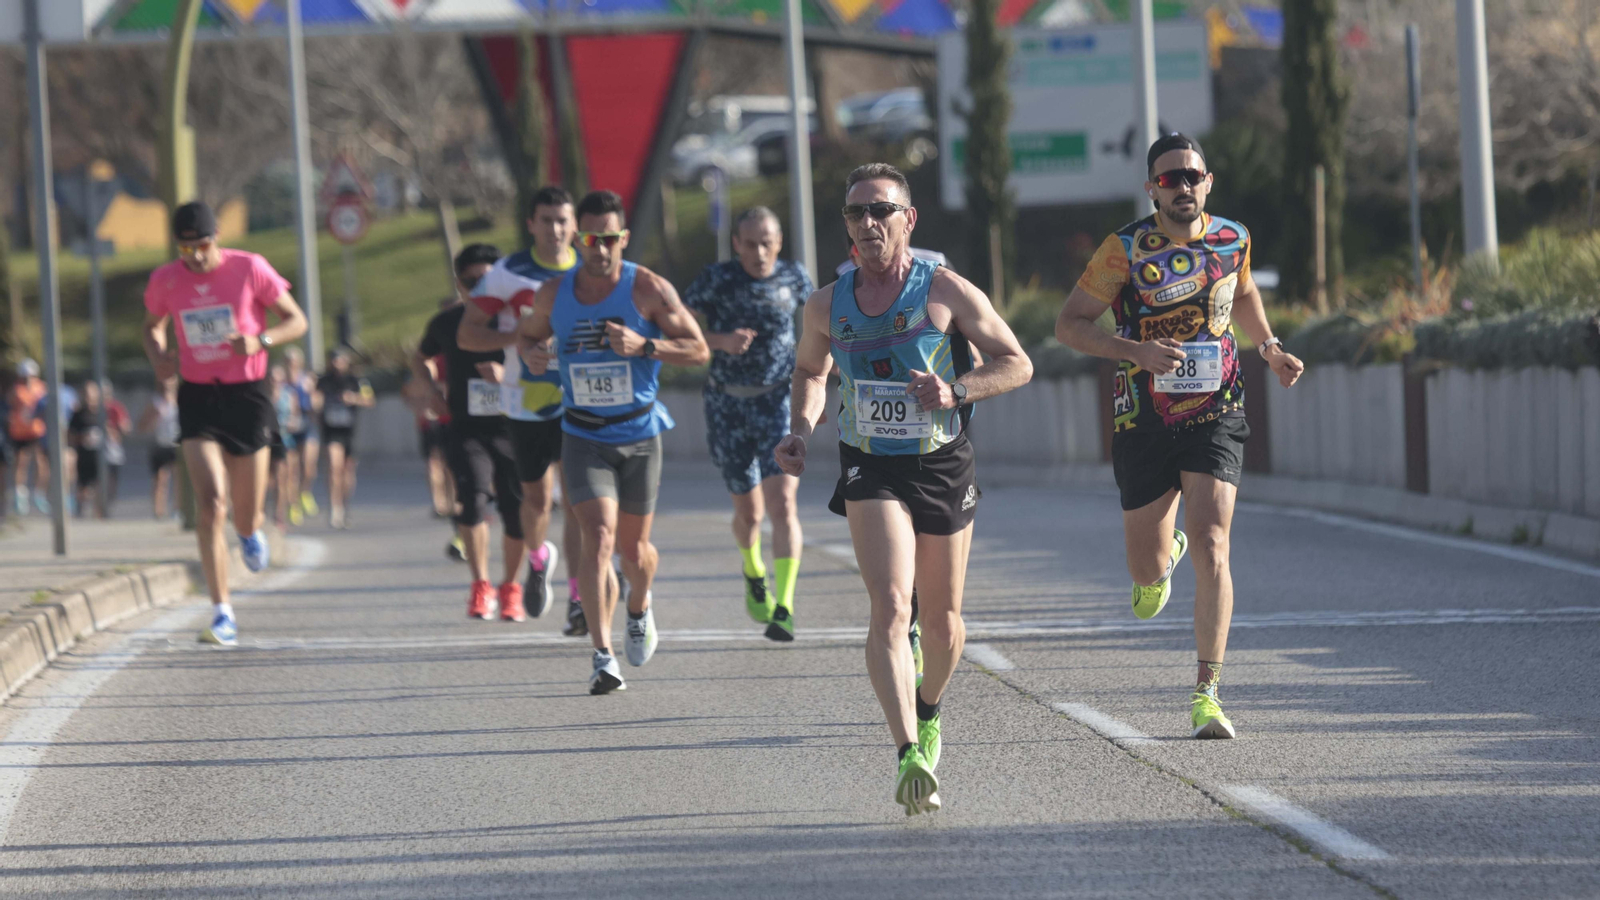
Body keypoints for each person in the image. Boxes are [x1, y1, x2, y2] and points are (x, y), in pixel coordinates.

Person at [776, 163, 1033, 815]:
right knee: (892, 605)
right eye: (857, 212)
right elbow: (810, 369)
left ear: (908, 220)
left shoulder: (944, 290)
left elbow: (1017, 363)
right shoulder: (825, 303)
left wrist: (956, 390)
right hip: (871, 464)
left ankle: (929, 707)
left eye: (882, 211)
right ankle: (908, 752)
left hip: (942, 462)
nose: (869, 224)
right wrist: (802, 431)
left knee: (944, 627)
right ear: (846, 226)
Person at [1054, 133, 1305, 740]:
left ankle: (1207, 693)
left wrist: (1268, 348)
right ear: (1152, 188)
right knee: (1145, 570)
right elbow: (1069, 325)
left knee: (1215, 540)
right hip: (1143, 417)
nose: (1182, 187)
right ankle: (1160, 564)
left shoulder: (1233, 238)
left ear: (1208, 181)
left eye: (1192, 176)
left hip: (1217, 408)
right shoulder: (1125, 250)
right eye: (1170, 179)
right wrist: (1131, 349)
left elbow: (1240, 293)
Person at [517, 189, 710, 695]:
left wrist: (646, 345)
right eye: (589, 238)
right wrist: (533, 357)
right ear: (578, 239)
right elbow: (527, 337)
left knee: (634, 551)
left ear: (622, 238)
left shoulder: (647, 288)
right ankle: (603, 657)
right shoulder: (554, 294)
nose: (598, 249)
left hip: (640, 434)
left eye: (608, 238)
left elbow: (699, 350)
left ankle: (639, 607)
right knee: (597, 537)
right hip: (581, 433)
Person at [142, 200, 308, 645]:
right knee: (211, 503)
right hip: (197, 396)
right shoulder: (166, 280)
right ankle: (222, 612)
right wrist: (158, 355)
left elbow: (297, 320)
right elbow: (152, 325)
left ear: (217, 238)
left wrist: (260, 339)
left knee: (245, 511)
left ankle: (251, 532)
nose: (195, 256)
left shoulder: (250, 268)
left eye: (203, 245)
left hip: (247, 395)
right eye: (185, 248)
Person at [683, 206, 813, 639]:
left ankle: (786, 607)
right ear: (736, 244)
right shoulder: (716, 279)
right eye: (750, 243)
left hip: (778, 401)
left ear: (779, 242)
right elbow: (674, 329)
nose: (759, 252)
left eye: (767, 242)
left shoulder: (795, 278)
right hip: (728, 405)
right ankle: (753, 567)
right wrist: (719, 340)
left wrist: (820, 390)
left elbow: (822, 332)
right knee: (750, 513)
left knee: (784, 506)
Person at [458, 186, 582, 624]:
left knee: (577, 501)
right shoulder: (508, 274)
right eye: (547, 220)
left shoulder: (590, 269)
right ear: (531, 224)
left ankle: (578, 598)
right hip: (524, 402)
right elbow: (467, 335)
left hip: (578, 400)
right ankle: (537, 558)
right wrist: (519, 338)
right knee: (537, 501)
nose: (556, 229)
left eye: (563, 220)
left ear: (574, 225)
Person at [413, 243, 528, 620]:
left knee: (515, 512)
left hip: (514, 426)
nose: (479, 288)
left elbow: (552, 361)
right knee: (472, 499)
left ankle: (511, 586)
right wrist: (431, 390)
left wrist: (510, 377)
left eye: (487, 279)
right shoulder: (447, 322)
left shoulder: (521, 320)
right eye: (470, 281)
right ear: (459, 284)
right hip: (466, 427)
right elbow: (419, 355)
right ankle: (481, 585)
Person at [315, 348, 374, 529]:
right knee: (334, 466)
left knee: (347, 472)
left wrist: (353, 398)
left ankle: (345, 505)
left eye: (339, 359)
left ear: (346, 361)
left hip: (349, 431)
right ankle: (335, 508)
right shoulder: (323, 380)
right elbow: (315, 400)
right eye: (333, 359)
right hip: (331, 430)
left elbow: (370, 400)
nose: (336, 363)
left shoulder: (355, 380)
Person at [284, 345, 320, 522]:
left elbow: (317, 404)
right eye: (288, 361)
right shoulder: (280, 381)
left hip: (306, 426)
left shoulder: (307, 379)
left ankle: (304, 492)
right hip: (288, 429)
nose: (291, 364)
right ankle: (293, 505)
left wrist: (312, 392)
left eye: (294, 361)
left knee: (308, 465)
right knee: (291, 470)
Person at [9, 359, 49, 515]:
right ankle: (20, 495)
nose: (28, 379)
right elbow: (11, 407)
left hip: (37, 431)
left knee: (41, 463)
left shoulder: (41, 388)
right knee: (21, 463)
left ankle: (39, 494)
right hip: (20, 432)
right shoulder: (16, 390)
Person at [139, 376, 181, 519]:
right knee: (160, 479)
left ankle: (178, 509)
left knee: (179, 478)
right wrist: (153, 418)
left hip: (176, 444)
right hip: (159, 444)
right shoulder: (154, 403)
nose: (166, 385)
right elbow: (141, 426)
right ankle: (159, 511)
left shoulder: (179, 400)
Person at [68, 381, 110, 518]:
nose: (88, 396)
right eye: (85, 393)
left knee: (101, 484)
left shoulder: (102, 412)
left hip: (100, 454)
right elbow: (70, 435)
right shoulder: (78, 414)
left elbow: (112, 429)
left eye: (91, 393)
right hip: (84, 454)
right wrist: (82, 438)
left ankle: (99, 514)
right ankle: (81, 510)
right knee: (83, 486)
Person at [268, 365, 298, 530]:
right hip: (265, 441)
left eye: (279, 378)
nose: (275, 381)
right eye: (272, 378)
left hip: (284, 440)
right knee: (266, 481)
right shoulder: (264, 397)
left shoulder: (289, 396)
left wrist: (291, 423)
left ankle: (279, 514)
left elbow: (295, 417)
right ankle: (260, 511)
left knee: (281, 479)